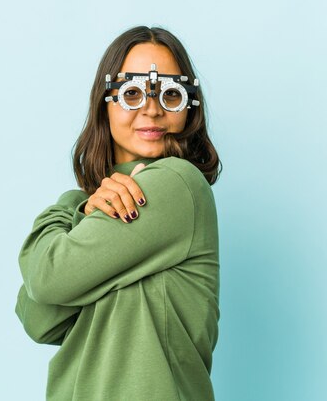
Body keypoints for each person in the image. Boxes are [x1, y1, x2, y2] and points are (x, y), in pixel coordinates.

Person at [15, 25, 222, 401]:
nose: (153, 109)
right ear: (104, 103)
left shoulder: (177, 183)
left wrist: (67, 209)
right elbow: (37, 320)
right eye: (132, 93)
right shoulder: (95, 206)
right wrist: (80, 206)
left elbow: (45, 279)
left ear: (187, 105)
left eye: (170, 94)